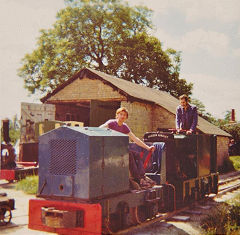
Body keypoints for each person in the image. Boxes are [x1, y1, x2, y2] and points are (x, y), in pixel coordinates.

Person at [100, 107, 156, 189]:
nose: (122, 116)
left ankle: (142, 177)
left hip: (119, 150)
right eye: (121, 114)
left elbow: (135, 139)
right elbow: (99, 129)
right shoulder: (111, 123)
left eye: (125, 115)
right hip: (110, 150)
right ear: (117, 115)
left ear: (126, 118)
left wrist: (148, 148)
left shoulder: (124, 127)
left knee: (136, 154)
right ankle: (138, 179)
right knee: (129, 154)